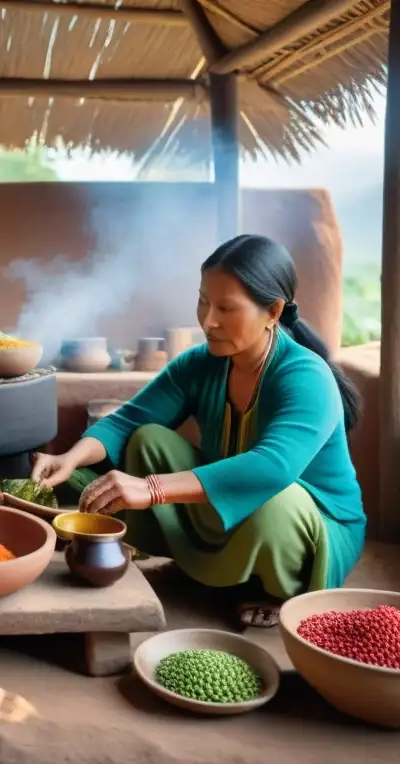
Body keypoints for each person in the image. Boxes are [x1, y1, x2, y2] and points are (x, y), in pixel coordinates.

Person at [31, 235, 365, 628]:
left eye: (226, 307)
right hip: (228, 509)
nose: (208, 320)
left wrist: (152, 488)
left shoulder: (305, 375)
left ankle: (277, 588)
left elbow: (274, 467)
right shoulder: (201, 363)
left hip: (308, 524)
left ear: (273, 311)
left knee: (276, 502)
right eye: (204, 301)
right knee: (149, 440)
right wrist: (70, 456)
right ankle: (212, 563)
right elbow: (129, 420)